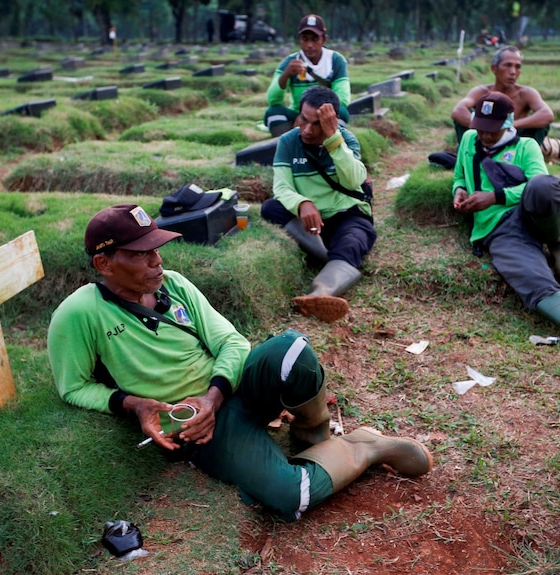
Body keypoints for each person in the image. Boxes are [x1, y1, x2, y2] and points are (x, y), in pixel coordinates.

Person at [47, 204, 432, 522]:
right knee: (290, 497)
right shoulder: (79, 313)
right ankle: (365, 446)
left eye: (157, 248)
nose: (157, 261)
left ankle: (313, 432)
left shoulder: (175, 285)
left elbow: (231, 341)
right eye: (141, 254)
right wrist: (134, 404)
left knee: (292, 348)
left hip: (229, 390)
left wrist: (214, 397)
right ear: (104, 263)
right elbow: (73, 387)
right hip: (198, 429)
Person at [451, 92, 560, 356]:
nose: (484, 136)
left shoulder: (526, 146)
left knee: (544, 185)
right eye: (480, 128)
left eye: (492, 131)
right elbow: (460, 173)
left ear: (508, 125)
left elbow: (537, 184)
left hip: (531, 213)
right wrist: (459, 190)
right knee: (529, 276)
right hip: (499, 227)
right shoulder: (468, 140)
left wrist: (496, 196)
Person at [261, 86, 375, 323]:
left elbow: (354, 180)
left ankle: (319, 294)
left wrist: (334, 139)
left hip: (345, 214)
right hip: (307, 219)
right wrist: (302, 203)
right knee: (271, 207)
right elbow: (281, 187)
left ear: (330, 122)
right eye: (303, 119)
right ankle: (328, 256)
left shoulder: (345, 139)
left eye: (316, 124)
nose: (306, 129)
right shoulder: (288, 142)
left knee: (355, 238)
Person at [263, 14, 351, 137]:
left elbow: (342, 98)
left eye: (315, 39)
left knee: (342, 112)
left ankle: (326, 145)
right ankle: (286, 144)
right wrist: (286, 74)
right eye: (305, 39)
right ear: (299, 40)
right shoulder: (291, 61)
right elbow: (273, 99)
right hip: (298, 115)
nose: (309, 45)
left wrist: (314, 117)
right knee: (273, 113)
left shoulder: (335, 60)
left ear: (324, 40)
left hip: (323, 116)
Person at [451, 46, 554, 146]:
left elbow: (547, 115)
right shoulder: (481, 92)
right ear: (494, 68)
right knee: (463, 118)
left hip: (514, 141)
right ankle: (469, 153)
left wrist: (506, 126)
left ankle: (526, 157)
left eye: (517, 67)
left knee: (542, 123)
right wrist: (485, 127)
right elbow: (458, 111)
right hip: (484, 139)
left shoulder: (526, 93)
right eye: (508, 65)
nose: (513, 72)